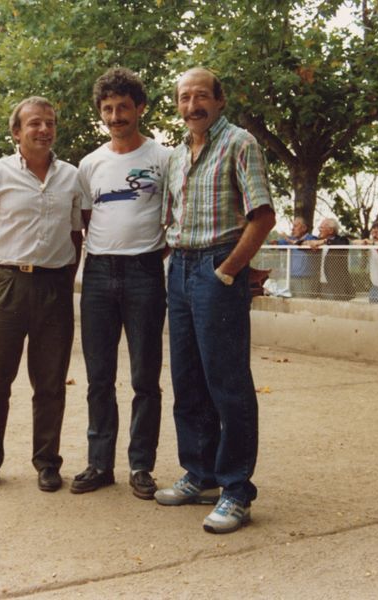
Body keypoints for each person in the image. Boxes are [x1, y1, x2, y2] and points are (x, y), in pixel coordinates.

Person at [158, 67, 276, 534]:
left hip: (216, 268)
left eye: (201, 96)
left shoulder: (240, 144)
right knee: (187, 380)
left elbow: (262, 216)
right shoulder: (175, 156)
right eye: (185, 98)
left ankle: (236, 490)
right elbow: (171, 220)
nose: (193, 106)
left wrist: (227, 270)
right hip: (180, 269)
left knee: (227, 383)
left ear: (219, 100)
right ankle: (200, 474)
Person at [0, 96, 84, 494]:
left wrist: (63, 274)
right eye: (34, 123)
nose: (44, 129)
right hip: (7, 286)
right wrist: (5, 253)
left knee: (50, 382)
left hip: (54, 288)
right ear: (16, 132)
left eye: (50, 122)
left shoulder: (72, 177)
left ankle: (47, 463)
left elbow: (76, 233)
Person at [70, 68, 170, 500]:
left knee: (145, 377)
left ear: (140, 108)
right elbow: (86, 219)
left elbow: (175, 213)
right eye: (108, 109)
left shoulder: (163, 158)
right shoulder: (90, 164)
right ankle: (99, 463)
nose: (115, 117)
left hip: (145, 273)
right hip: (98, 275)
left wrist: (150, 253)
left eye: (123, 107)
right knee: (99, 377)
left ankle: (141, 466)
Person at [306, 218, 355, 301]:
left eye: (321, 228)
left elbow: (342, 244)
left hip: (336, 286)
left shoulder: (342, 240)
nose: (319, 230)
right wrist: (309, 243)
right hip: (319, 285)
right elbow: (299, 243)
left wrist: (325, 241)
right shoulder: (318, 241)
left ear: (331, 230)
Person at [276, 216, 320, 298]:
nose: (292, 229)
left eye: (295, 226)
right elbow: (275, 244)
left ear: (304, 228)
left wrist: (289, 240)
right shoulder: (291, 239)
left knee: (303, 303)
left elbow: (306, 244)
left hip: (305, 279)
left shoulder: (312, 238)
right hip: (290, 277)